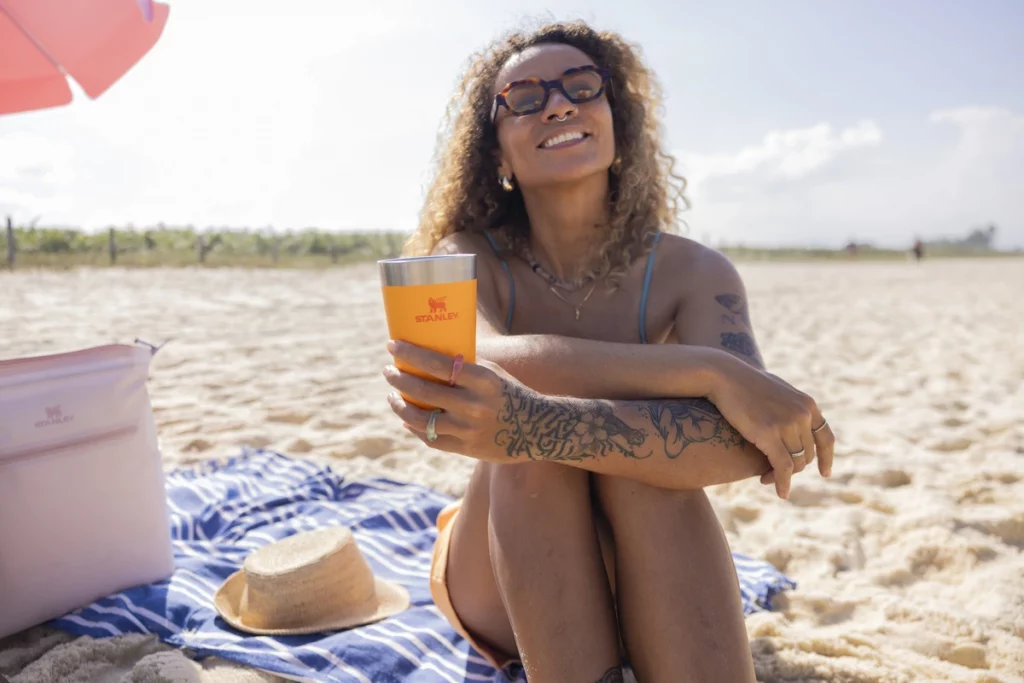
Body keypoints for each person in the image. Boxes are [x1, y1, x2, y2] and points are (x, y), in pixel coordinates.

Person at [382, 21, 835, 683]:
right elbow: (461, 364)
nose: (559, 105)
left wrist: (576, 418)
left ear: (617, 126)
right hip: (500, 572)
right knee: (530, 443)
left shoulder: (694, 272)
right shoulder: (466, 256)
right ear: (498, 155)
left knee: (638, 453)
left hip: (641, 566)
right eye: (525, 98)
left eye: (581, 87)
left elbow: (747, 443)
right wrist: (710, 371)